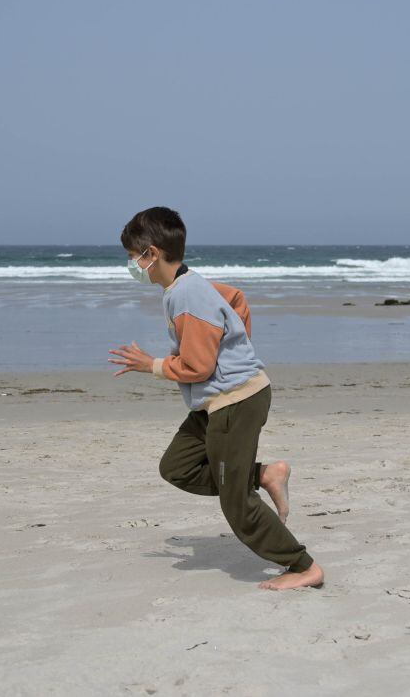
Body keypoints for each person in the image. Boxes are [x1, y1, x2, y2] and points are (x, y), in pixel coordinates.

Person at [108, 207, 324, 590]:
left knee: (235, 502)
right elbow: (236, 300)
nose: (131, 265)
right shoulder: (188, 282)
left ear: (151, 254)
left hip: (235, 403)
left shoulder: (186, 296)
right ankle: (264, 474)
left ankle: (303, 566)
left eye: (132, 256)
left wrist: (152, 365)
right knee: (177, 466)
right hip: (219, 400)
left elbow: (199, 367)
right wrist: (238, 353)